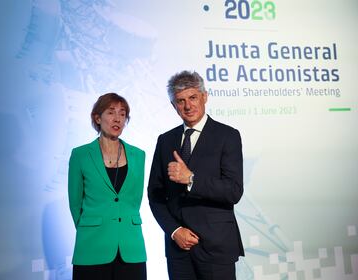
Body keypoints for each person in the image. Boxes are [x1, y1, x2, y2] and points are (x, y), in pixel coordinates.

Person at [148, 71, 244, 280]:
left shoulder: (228, 136)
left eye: (193, 98)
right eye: (180, 101)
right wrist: (174, 231)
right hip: (178, 250)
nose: (188, 106)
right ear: (174, 106)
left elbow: (233, 191)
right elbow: (155, 195)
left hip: (216, 247)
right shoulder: (165, 141)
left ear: (205, 97)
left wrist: (192, 179)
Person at [68, 93, 147, 280]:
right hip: (92, 246)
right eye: (111, 112)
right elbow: (75, 203)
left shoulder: (138, 155)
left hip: (131, 247)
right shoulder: (80, 155)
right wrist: (92, 227)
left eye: (122, 113)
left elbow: (134, 200)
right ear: (97, 117)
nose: (117, 118)